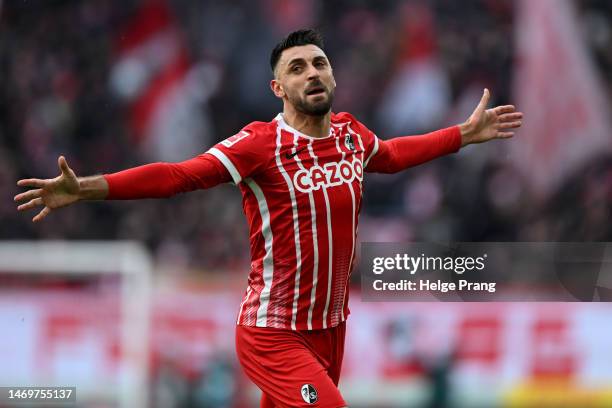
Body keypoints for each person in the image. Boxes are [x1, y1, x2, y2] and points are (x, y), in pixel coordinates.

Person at [15, 29, 522, 408]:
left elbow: (390, 153)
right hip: (272, 332)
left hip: (331, 328)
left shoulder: (349, 134)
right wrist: (85, 188)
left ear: (334, 75)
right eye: (297, 68)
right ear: (277, 87)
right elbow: (177, 175)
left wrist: (462, 134)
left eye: (319, 63)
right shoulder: (260, 143)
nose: (312, 73)